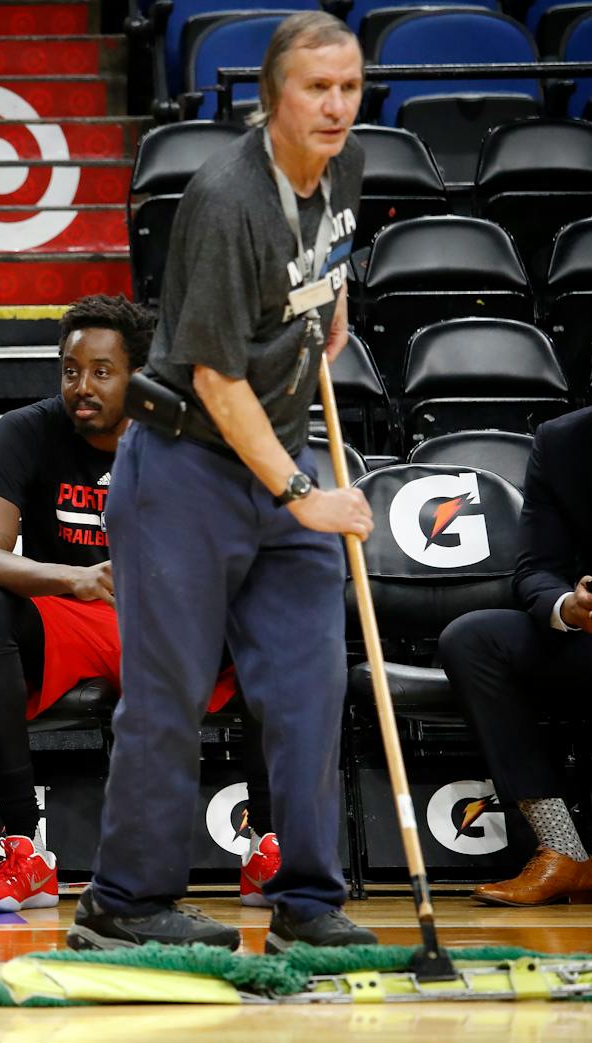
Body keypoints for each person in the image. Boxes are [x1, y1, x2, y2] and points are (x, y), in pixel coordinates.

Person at [67, 12, 377, 954]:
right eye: (315, 89)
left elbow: (327, 260)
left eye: (350, 87)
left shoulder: (346, 169)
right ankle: (125, 899)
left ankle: (309, 897)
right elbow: (213, 377)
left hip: (277, 453)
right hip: (188, 470)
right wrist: (303, 495)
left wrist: (330, 312)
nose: (335, 106)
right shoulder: (223, 197)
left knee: (310, 682)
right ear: (270, 97)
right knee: (167, 692)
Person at [0, 294, 278, 913]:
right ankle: (26, 852)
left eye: (102, 371)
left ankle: (268, 848)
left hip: (172, 624)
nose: (82, 386)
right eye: (71, 370)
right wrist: (68, 579)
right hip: (73, 616)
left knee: (270, 623)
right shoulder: (26, 431)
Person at [438, 327, 592, 907]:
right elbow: (535, 569)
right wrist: (571, 607)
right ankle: (563, 850)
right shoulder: (563, 444)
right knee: (473, 639)